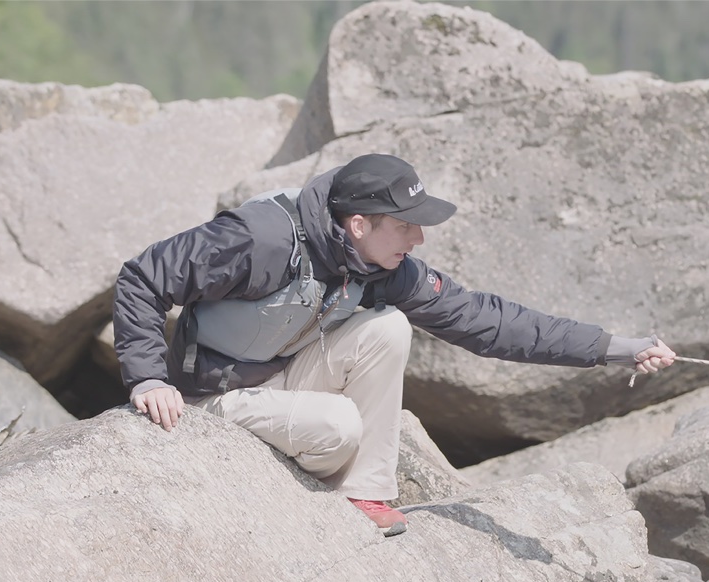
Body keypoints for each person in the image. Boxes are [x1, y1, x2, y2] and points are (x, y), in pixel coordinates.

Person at [113, 154, 675, 535]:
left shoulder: (381, 263)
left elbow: (486, 321)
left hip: (279, 376)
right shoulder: (260, 238)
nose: (419, 237)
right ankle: (331, 458)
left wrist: (615, 348)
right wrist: (148, 378)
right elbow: (143, 277)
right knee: (338, 427)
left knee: (388, 327)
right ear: (358, 223)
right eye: (406, 225)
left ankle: (365, 495)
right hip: (211, 397)